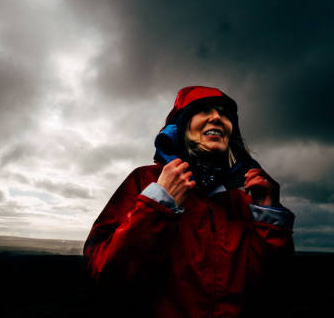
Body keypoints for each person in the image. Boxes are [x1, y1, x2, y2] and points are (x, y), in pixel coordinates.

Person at [83, 86, 295, 317]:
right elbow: (107, 274)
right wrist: (158, 202)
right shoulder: (144, 181)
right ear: (181, 127)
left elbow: (272, 290)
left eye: (225, 114)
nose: (216, 117)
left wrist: (269, 217)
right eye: (204, 110)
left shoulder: (246, 198)